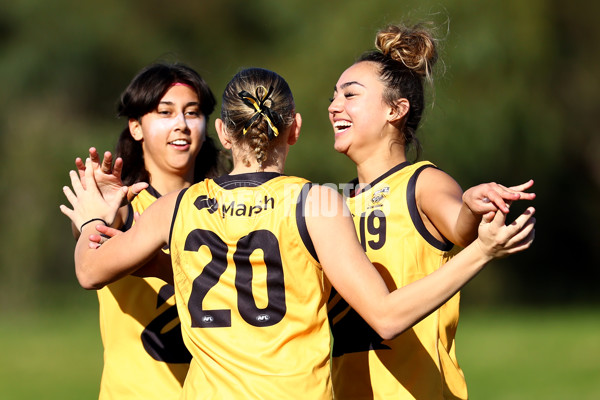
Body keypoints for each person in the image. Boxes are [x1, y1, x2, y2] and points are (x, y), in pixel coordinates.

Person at [60, 67, 535, 400]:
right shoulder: (318, 202)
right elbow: (387, 317)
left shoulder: (177, 206)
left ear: (224, 134)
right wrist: (482, 252)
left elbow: (89, 270)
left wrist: (92, 221)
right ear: (295, 128)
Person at [326, 23, 536, 399]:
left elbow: (460, 229)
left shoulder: (422, 182)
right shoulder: (336, 202)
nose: (334, 106)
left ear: (396, 109)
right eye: (334, 96)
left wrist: (473, 207)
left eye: (350, 95)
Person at [70, 62, 226, 399]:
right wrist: (96, 212)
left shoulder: (226, 207)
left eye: (192, 112)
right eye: (165, 113)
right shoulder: (124, 206)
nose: (182, 125)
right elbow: (91, 237)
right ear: (136, 127)